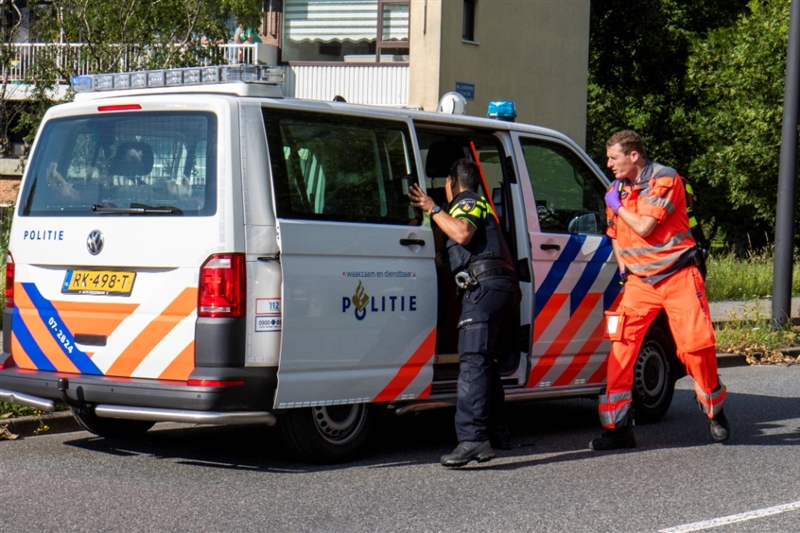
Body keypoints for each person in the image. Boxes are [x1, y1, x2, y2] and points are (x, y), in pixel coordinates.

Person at [592, 129, 730, 451]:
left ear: (633, 156)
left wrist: (617, 205)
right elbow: (616, 234)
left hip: (678, 275)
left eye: (613, 157)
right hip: (639, 283)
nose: (609, 164)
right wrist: (624, 270)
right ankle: (619, 429)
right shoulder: (616, 190)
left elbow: (644, 226)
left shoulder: (665, 179)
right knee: (621, 350)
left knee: (696, 347)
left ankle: (714, 409)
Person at [408, 158, 521, 467]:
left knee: (472, 363)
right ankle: (497, 432)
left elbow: (462, 233)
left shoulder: (467, 200)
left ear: (452, 182)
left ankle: (472, 439)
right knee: (485, 363)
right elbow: (450, 253)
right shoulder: (476, 206)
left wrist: (432, 208)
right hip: (501, 288)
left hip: (485, 289)